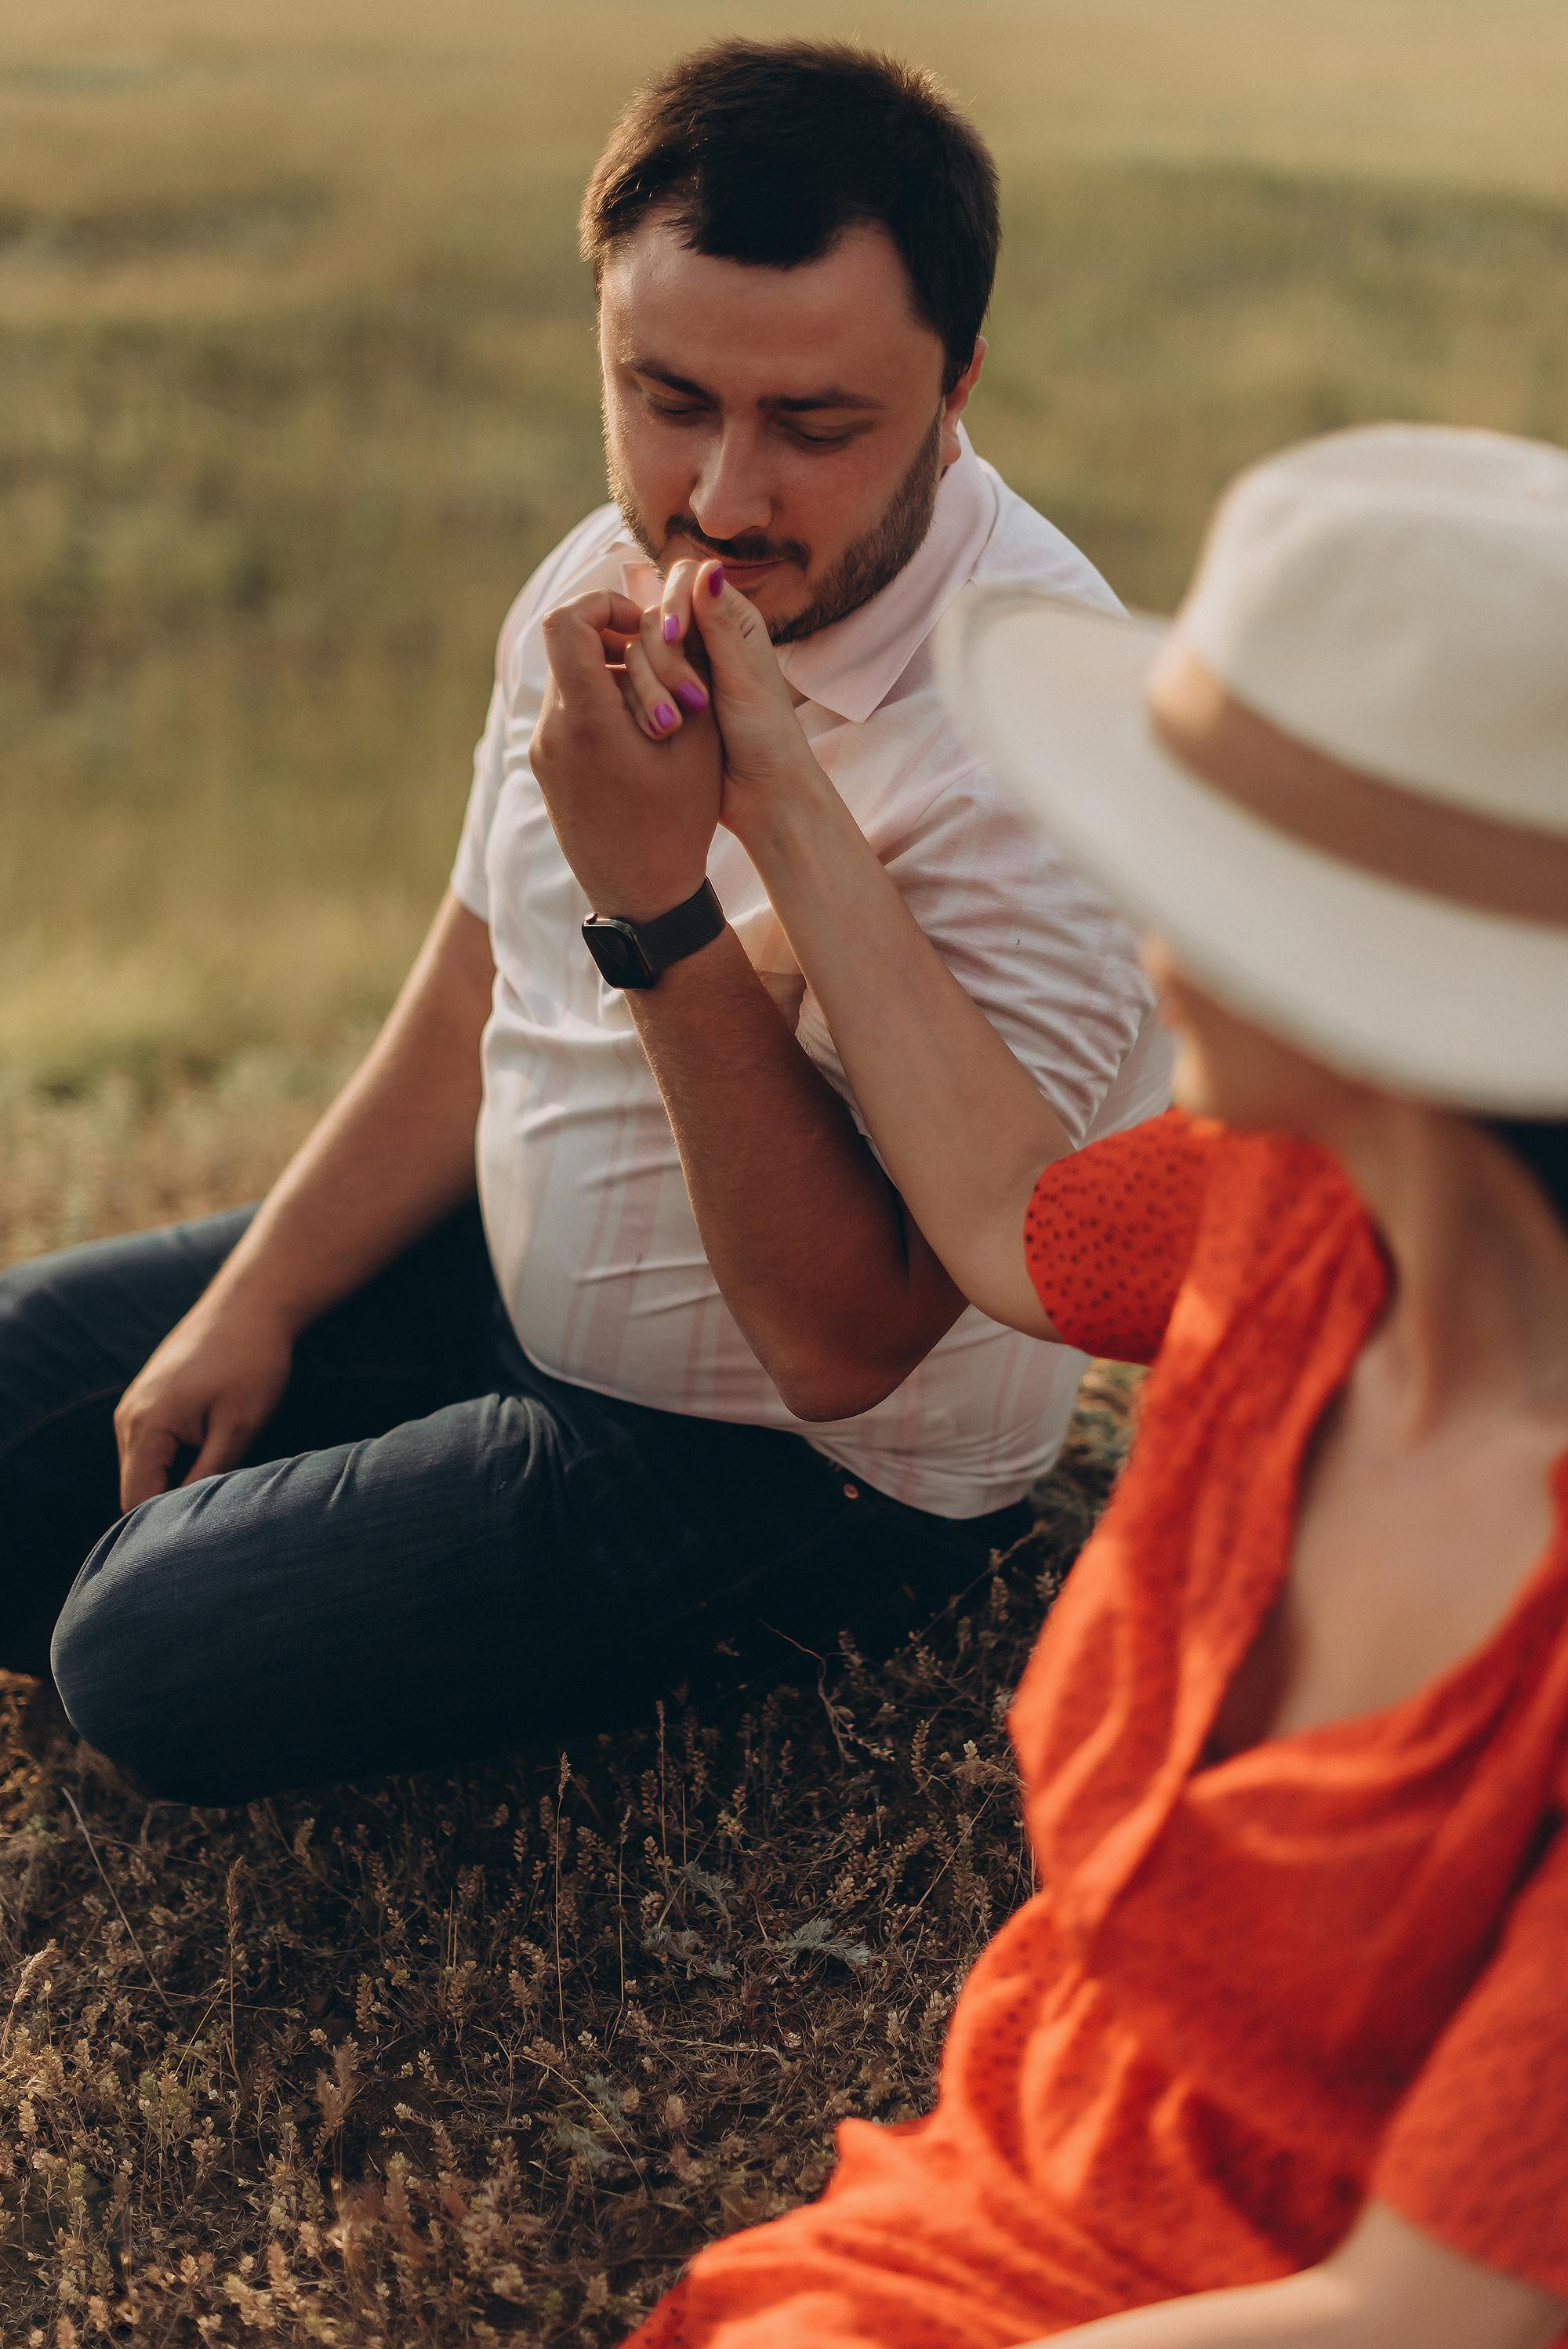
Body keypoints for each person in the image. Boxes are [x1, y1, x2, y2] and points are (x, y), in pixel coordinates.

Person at [1, 39, 1167, 1803]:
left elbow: (849, 1345)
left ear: (958, 388)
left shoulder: (1042, 753)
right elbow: (477, 976)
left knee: (136, 1657)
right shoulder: (597, 571)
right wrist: (258, 1294)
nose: (722, 497)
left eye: (817, 424)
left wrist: (657, 898)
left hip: (781, 1461)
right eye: (667, 396)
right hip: (503, 1262)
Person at [597, 423, 1568, 2345]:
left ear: (1375, 990)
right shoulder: (1294, 1212)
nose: (1140, 917)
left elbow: (1428, 2315)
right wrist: (759, 802)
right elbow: (1003, 1217)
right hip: (1017, 2184)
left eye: (1193, 862)